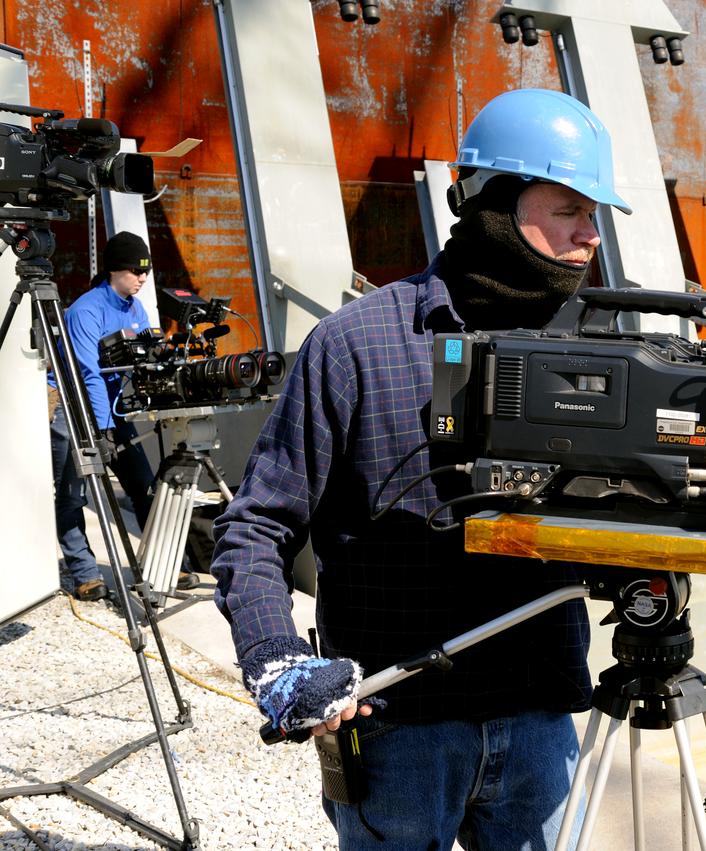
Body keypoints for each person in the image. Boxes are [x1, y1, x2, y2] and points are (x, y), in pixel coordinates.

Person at [211, 88, 633, 849]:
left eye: (595, 216)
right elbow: (255, 525)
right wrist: (276, 663)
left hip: (541, 725)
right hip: (397, 726)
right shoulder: (354, 345)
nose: (589, 235)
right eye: (570, 208)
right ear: (494, 203)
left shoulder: (602, 358)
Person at [51, 231, 198, 598]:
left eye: (146, 271)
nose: (142, 278)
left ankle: (166, 566)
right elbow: (89, 375)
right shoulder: (85, 310)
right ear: (115, 271)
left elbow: (145, 357)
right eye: (136, 271)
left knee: (144, 486)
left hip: (112, 409)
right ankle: (85, 573)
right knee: (74, 494)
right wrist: (101, 432)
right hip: (74, 408)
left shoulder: (136, 308)